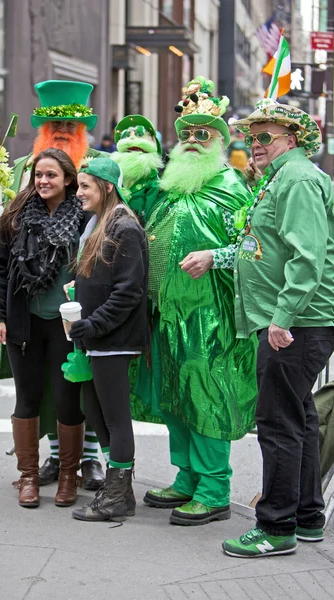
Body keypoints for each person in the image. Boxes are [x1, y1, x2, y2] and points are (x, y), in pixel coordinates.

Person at [222, 98, 334, 557]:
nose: (255, 145)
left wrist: (281, 317)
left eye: (265, 137)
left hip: (295, 325)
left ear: (291, 140)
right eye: (251, 138)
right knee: (299, 419)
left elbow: (308, 258)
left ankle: (275, 528)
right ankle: (307, 517)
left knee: (278, 423)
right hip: (293, 322)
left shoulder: (297, 178)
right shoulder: (281, 178)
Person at [0, 80, 105, 491]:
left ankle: (87, 461)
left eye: (71, 121)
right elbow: (1, 229)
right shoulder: (20, 169)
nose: (63, 129)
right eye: (55, 122)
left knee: (78, 385)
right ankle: (45, 463)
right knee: (35, 391)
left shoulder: (99, 170)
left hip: (73, 313)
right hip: (25, 310)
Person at [140, 77, 258, 526]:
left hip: (210, 316)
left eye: (202, 134)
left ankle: (214, 490)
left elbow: (255, 247)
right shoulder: (171, 186)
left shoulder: (231, 186)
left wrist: (215, 256)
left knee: (206, 397)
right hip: (167, 314)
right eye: (186, 133)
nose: (191, 141)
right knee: (175, 397)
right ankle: (187, 476)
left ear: (221, 142)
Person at [0, 148, 86, 509]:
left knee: (66, 400)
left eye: (51, 175)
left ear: (68, 180)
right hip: (23, 323)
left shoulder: (85, 216)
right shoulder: (15, 217)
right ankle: (28, 476)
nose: (43, 181)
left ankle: (68, 476)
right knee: (26, 399)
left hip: (66, 327)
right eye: (39, 175)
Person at [68, 157, 149, 522]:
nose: (79, 191)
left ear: (107, 187)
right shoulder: (101, 223)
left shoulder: (124, 227)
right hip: (99, 336)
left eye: (86, 185)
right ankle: (121, 490)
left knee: (115, 418)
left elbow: (129, 291)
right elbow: (106, 280)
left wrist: (94, 323)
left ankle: (116, 496)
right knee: (94, 408)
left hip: (114, 337)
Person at [112, 114, 164, 225]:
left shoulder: (152, 181)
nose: (132, 138)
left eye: (137, 151)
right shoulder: (113, 175)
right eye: (129, 152)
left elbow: (152, 213)